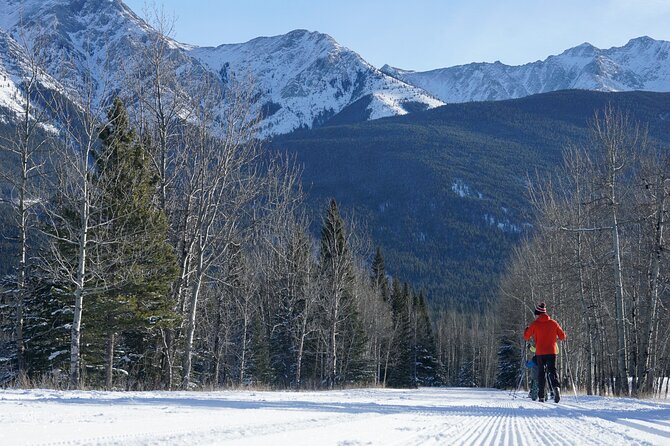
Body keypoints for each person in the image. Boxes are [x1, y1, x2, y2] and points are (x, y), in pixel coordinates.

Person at [523, 302, 566, 403]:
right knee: (552, 370)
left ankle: (541, 396)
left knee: (541, 373)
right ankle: (556, 388)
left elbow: (526, 337)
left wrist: (526, 330)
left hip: (540, 352)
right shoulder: (554, 323)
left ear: (538, 313)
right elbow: (563, 336)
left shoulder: (535, 324)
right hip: (552, 351)